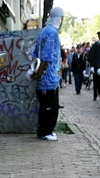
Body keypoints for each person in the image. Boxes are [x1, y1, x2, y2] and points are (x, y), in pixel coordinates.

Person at [32, 6, 64, 141]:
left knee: (45, 106)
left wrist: (35, 71)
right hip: (49, 79)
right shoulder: (52, 33)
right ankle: (46, 131)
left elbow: (35, 53)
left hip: (44, 79)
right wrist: (39, 73)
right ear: (59, 18)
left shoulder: (44, 31)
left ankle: (43, 130)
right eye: (62, 17)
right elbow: (47, 56)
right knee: (51, 107)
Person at [89, 29, 100, 101]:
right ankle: (95, 95)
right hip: (96, 66)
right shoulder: (95, 45)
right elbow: (92, 56)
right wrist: (92, 65)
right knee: (96, 82)